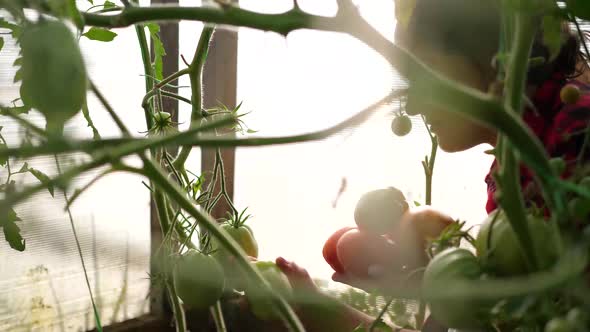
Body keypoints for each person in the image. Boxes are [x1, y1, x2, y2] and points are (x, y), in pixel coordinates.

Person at [274, 0, 590, 331]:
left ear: (492, 55)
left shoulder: (576, 135)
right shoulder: (515, 164)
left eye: (424, 74)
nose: (411, 105)